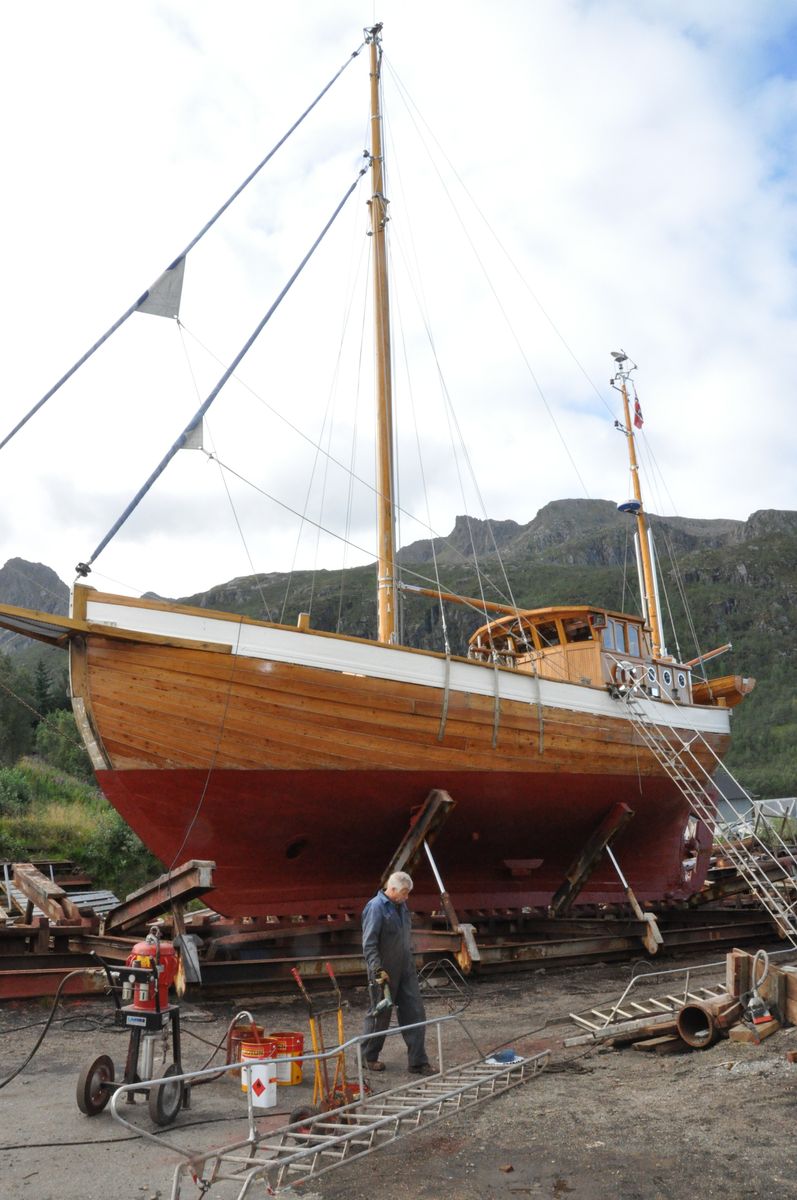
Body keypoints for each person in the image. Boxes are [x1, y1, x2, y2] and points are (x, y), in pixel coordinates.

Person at [361, 870, 435, 1075]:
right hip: (384, 971)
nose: (407, 897)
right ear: (392, 889)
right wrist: (377, 969)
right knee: (380, 1013)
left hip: (405, 969)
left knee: (415, 1011)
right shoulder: (375, 907)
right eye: (404, 893)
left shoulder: (401, 906)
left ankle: (417, 1062)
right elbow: (369, 943)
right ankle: (367, 1057)